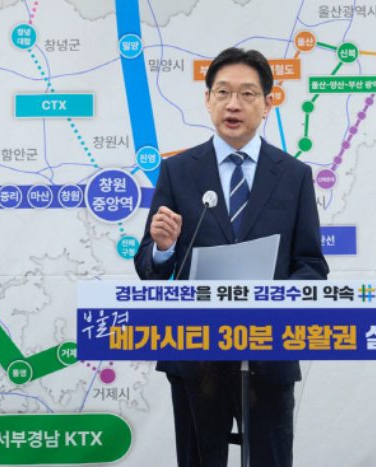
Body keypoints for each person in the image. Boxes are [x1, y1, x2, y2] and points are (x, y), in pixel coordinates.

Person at [134, 48, 329, 467]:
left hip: (269, 350)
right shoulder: (178, 171)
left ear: (267, 103)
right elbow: (148, 267)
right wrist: (164, 247)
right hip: (195, 353)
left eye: (247, 94)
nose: (233, 104)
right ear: (208, 100)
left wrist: (274, 302)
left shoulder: (293, 175)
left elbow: (311, 266)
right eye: (222, 92)